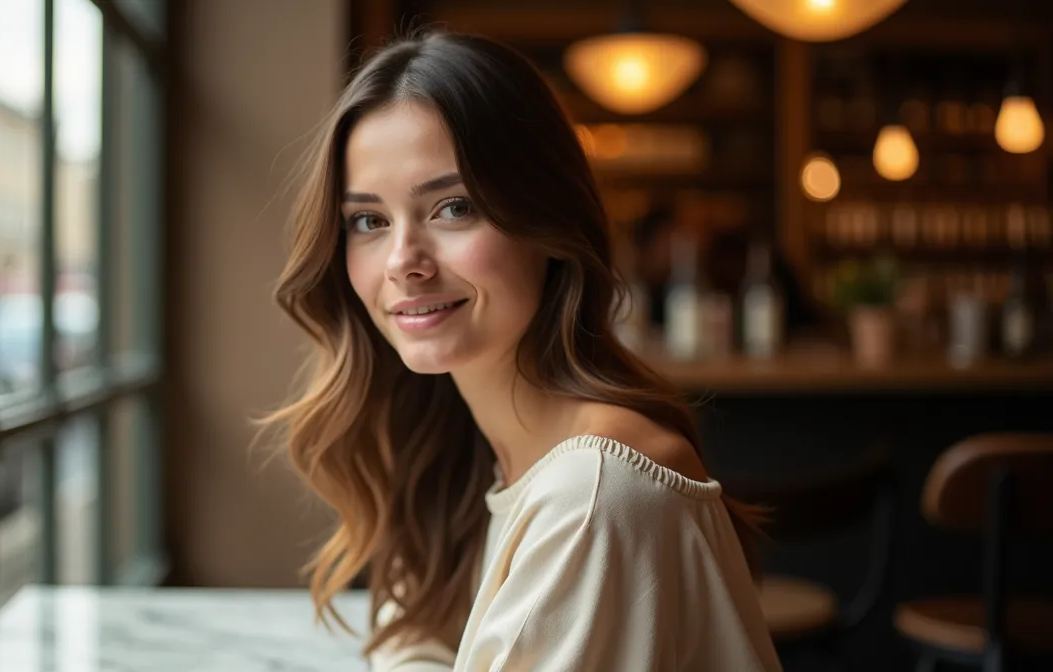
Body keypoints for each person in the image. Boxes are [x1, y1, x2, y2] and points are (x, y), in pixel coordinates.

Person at [259, 30, 782, 671]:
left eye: (452, 208)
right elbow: (411, 642)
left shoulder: (594, 495)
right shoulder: (459, 449)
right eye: (369, 221)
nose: (402, 263)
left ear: (550, 227)